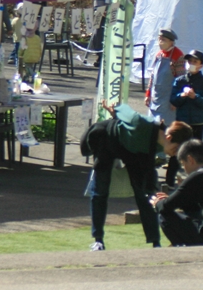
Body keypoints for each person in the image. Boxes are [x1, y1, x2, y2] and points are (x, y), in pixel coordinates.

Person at [81, 102, 192, 251]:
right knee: (100, 191)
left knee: (147, 194)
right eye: (176, 149)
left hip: (134, 152)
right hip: (108, 139)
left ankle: (155, 243)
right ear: (169, 137)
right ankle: (98, 240)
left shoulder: (159, 145)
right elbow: (122, 108)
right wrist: (114, 110)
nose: (175, 154)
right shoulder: (141, 123)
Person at [166, 50, 203, 186]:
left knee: (196, 153)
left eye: (195, 62)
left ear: (201, 65)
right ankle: (169, 182)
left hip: (197, 122)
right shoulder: (180, 80)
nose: (191, 64)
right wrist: (181, 96)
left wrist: (195, 97)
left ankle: (196, 183)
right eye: (189, 61)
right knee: (176, 152)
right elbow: (173, 100)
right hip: (182, 123)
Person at [146, 28, 184, 124]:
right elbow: (152, 76)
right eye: (159, 39)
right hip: (155, 97)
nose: (160, 42)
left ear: (171, 42)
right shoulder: (159, 55)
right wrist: (148, 94)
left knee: (165, 128)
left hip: (168, 100)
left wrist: (176, 100)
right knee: (152, 126)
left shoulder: (178, 56)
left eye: (163, 40)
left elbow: (181, 80)